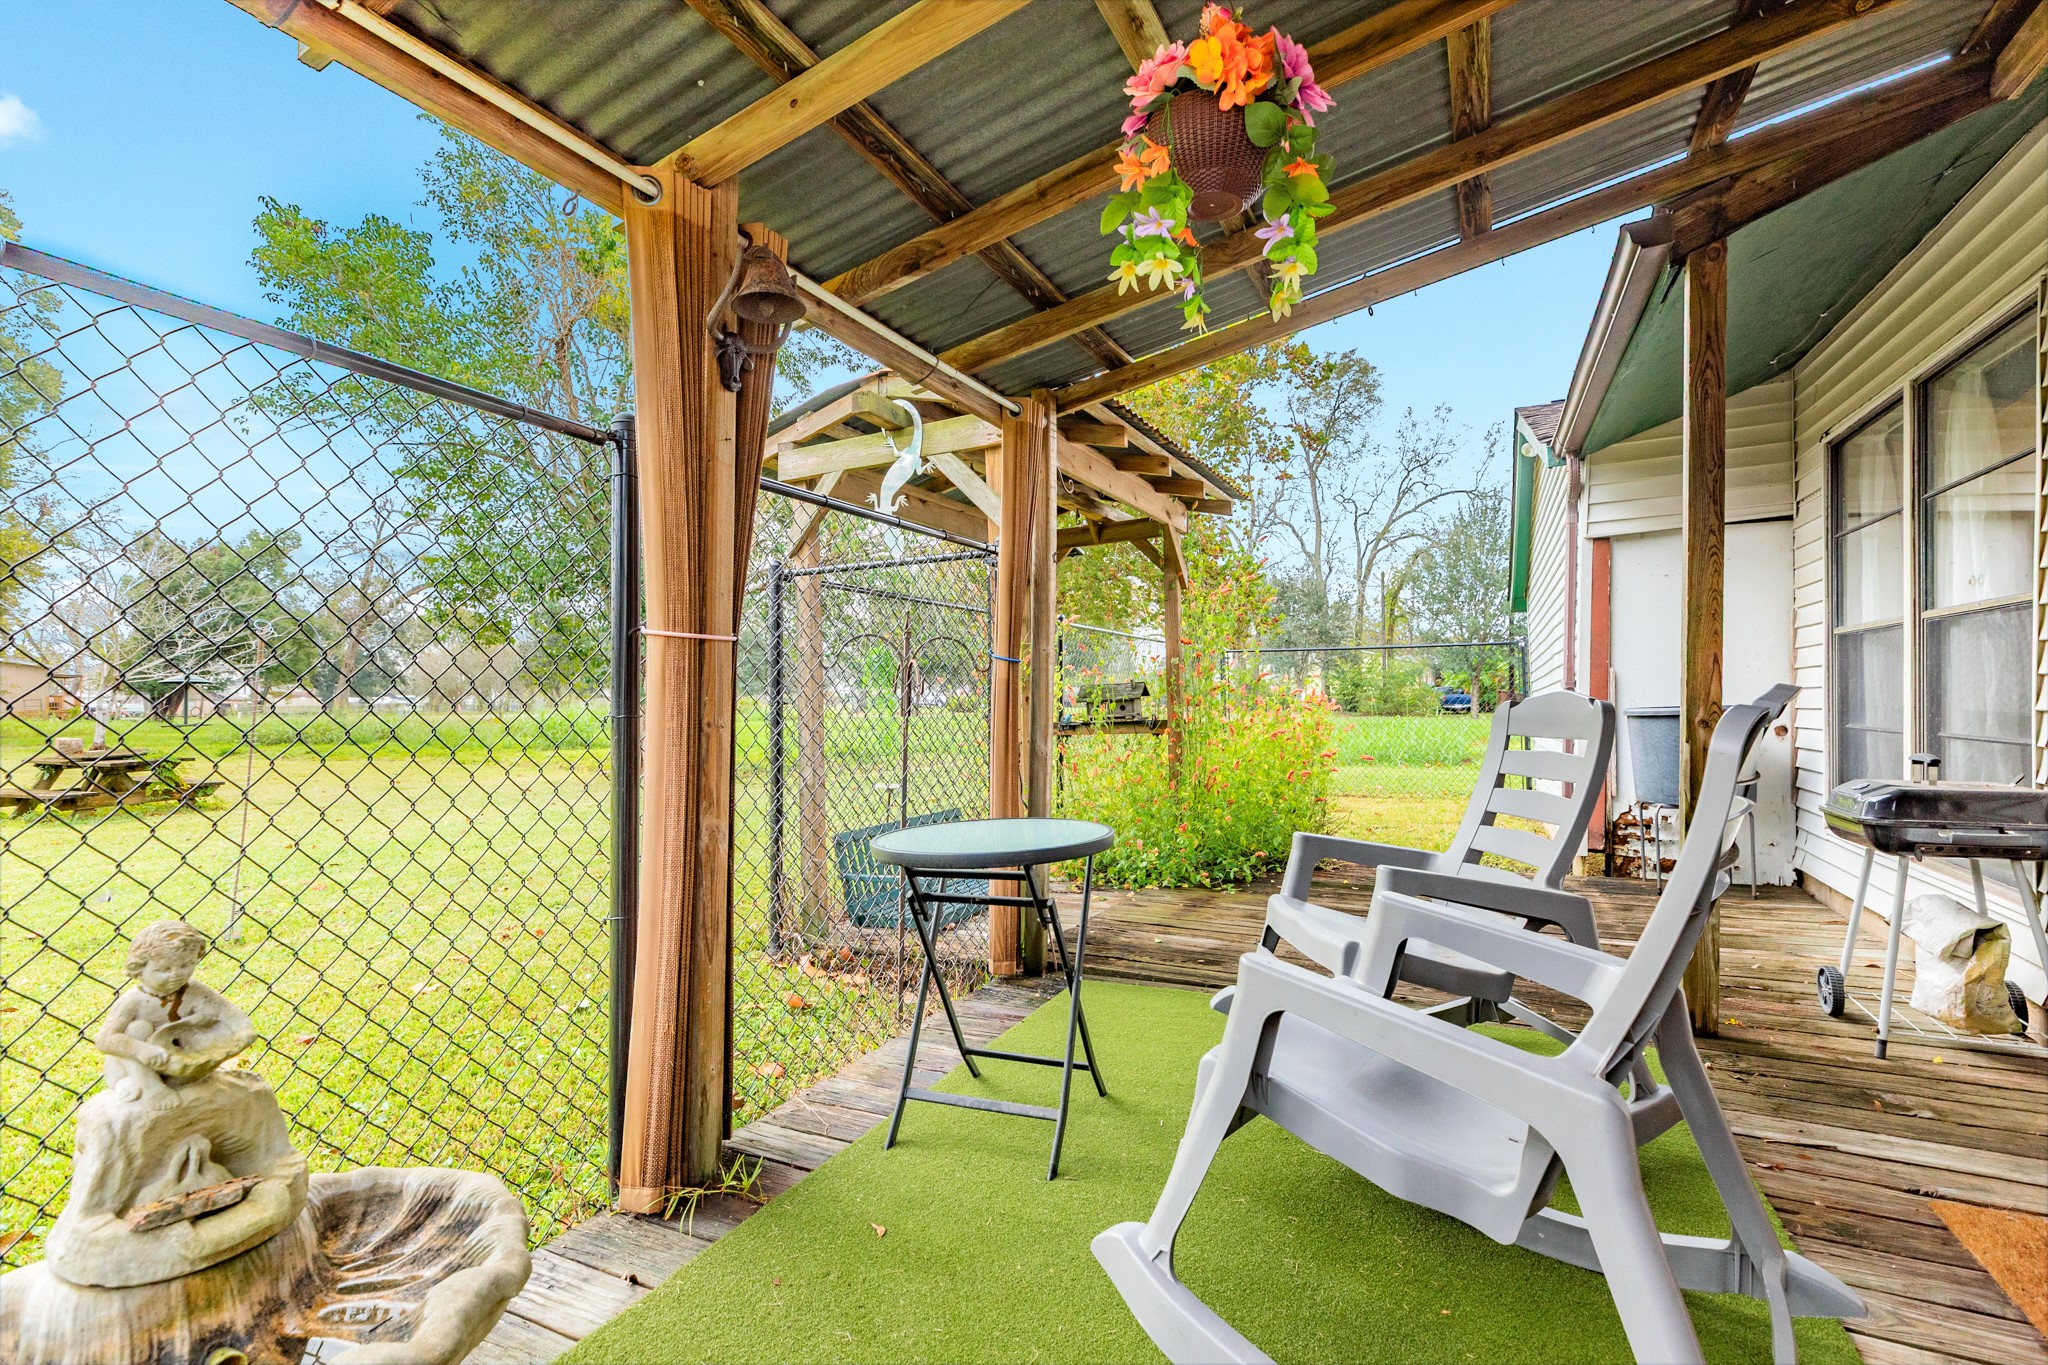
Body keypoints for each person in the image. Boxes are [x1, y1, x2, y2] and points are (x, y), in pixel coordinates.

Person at [94, 920, 253, 1111]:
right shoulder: (133, 1001)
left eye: (187, 965)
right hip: (133, 1068)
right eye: (164, 969)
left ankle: (184, 1082)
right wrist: (141, 1050)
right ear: (139, 969)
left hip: (180, 1063)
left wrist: (244, 1030)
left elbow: (226, 1012)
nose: (177, 975)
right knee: (137, 1028)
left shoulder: (193, 991)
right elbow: (104, 1039)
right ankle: (150, 1087)